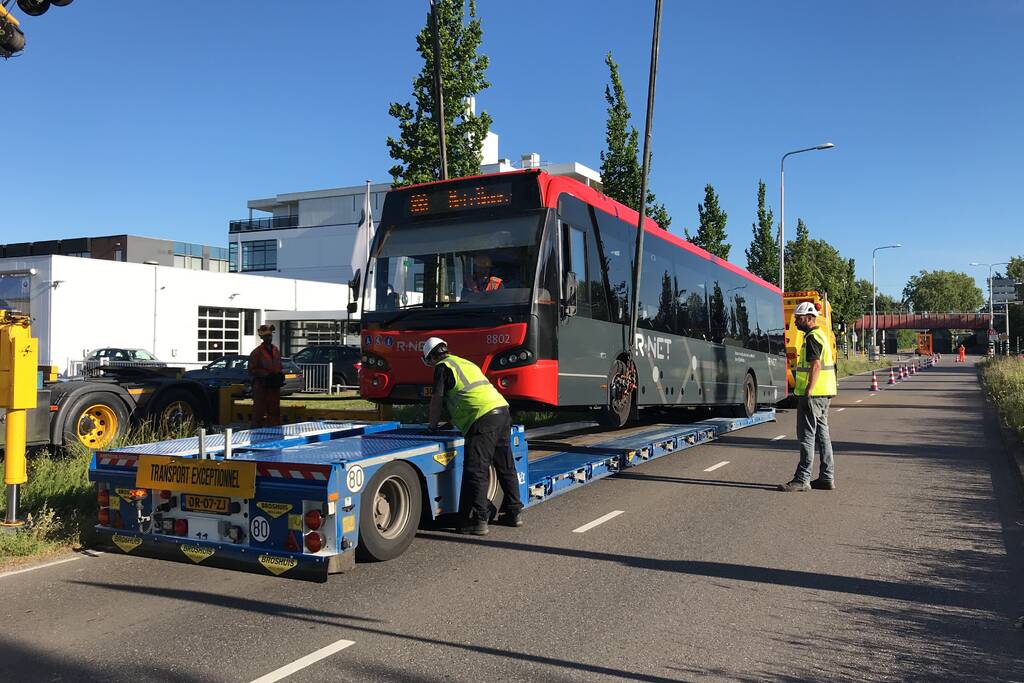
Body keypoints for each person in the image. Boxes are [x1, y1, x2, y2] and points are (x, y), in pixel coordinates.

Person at [423, 336, 523, 535]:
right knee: (505, 465)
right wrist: (452, 422)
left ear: (431, 357)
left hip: (483, 418)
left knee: (476, 470)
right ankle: (514, 513)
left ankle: (478, 521)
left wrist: (432, 426)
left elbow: (437, 399)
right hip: (501, 411)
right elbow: (469, 395)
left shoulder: (442, 367)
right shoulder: (464, 362)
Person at [779, 302, 837, 492]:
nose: (795, 322)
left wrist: (809, 390)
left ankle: (802, 479)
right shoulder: (820, 335)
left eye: (798, 318)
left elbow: (816, 365)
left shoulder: (812, 337)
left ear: (810, 318)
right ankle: (826, 477)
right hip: (824, 393)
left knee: (807, 436)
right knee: (823, 436)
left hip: (813, 394)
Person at [248, 324, 283, 428]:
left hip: (273, 386)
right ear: (262, 337)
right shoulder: (256, 352)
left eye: (270, 336)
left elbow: (279, 365)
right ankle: (256, 431)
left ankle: (275, 429)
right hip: (261, 386)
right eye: (267, 336)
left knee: (274, 409)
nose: (269, 338)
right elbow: (252, 370)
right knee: (259, 410)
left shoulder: (275, 350)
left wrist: (280, 375)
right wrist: (265, 375)